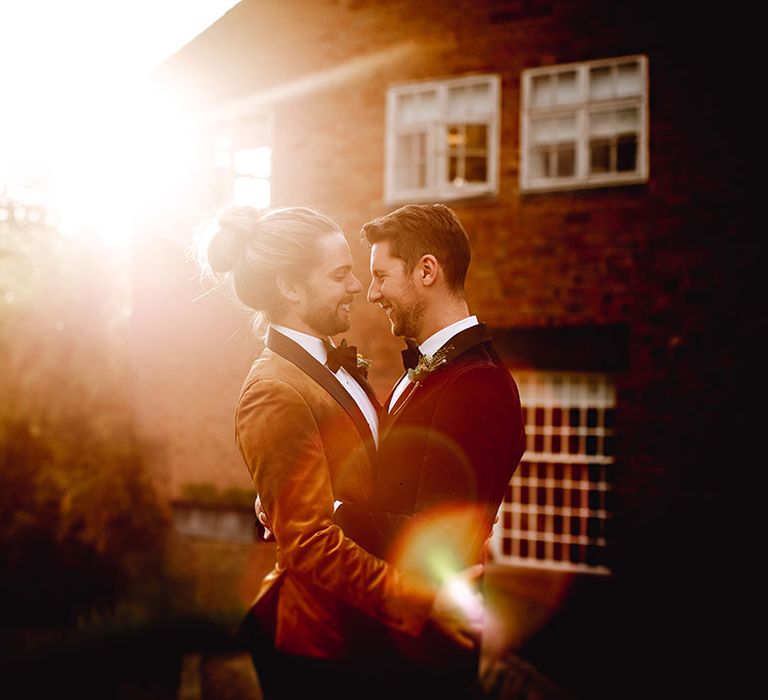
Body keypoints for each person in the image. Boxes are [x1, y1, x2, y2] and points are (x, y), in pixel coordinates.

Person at [196, 205, 482, 700]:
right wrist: (420, 600)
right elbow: (309, 543)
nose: (358, 286)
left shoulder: (330, 365)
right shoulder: (273, 391)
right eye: (340, 274)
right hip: (317, 643)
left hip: (359, 628)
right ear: (290, 287)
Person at [334, 203, 526, 698]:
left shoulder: (476, 385)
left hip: (421, 663)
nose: (371, 293)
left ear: (426, 270)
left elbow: (433, 537)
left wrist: (324, 512)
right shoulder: (431, 371)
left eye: (381, 276)